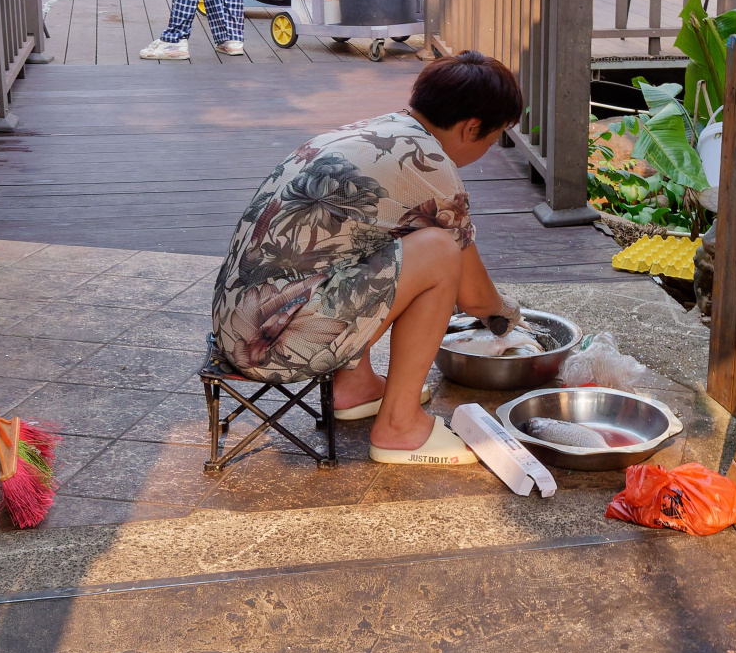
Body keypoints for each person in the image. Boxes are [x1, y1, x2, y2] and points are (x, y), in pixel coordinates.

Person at [209, 52, 524, 465]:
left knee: (376, 241)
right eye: (493, 138)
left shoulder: (380, 131)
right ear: (471, 128)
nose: (488, 148)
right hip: (272, 346)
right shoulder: (429, 163)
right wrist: (508, 313)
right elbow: (474, 297)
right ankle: (400, 427)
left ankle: (354, 387)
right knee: (439, 251)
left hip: (234, 325)